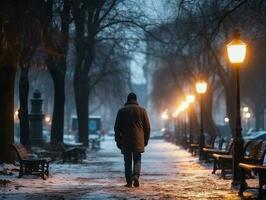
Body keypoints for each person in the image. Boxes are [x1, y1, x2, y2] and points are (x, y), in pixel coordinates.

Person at [114, 92, 151, 188]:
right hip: (138, 140)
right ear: (136, 100)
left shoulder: (121, 111)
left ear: (127, 100)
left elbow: (117, 127)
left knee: (127, 160)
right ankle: (136, 175)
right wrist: (145, 139)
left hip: (125, 140)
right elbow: (147, 127)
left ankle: (129, 182)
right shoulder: (142, 111)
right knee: (137, 159)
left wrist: (118, 140)